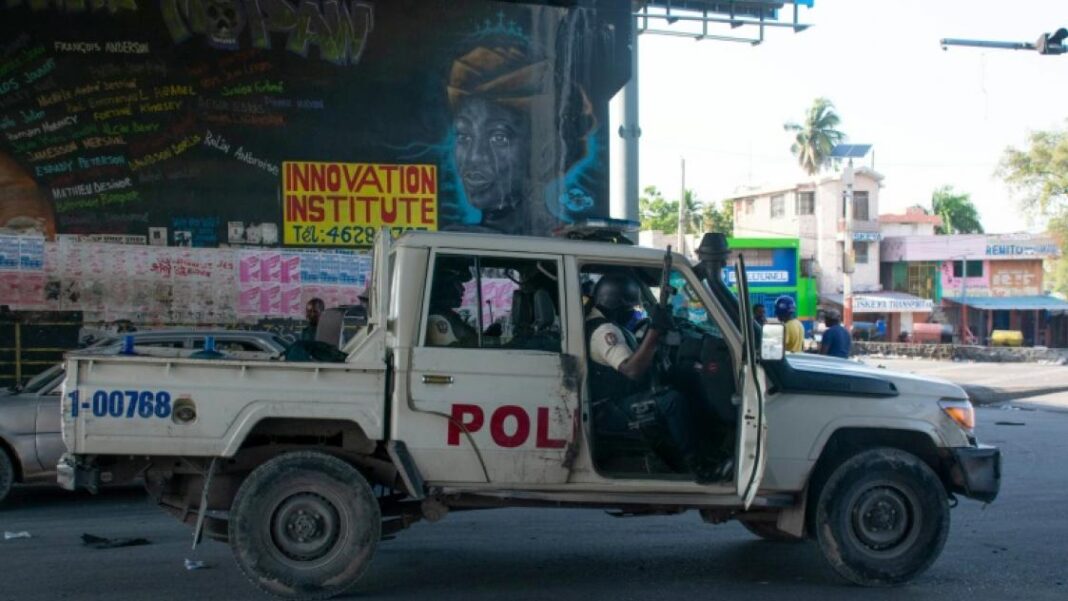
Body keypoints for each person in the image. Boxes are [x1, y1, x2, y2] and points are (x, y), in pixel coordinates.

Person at [585, 273, 731, 484]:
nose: (633, 313)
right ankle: (695, 466)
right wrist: (654, 333)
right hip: (610, 410)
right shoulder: (604, 331)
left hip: (614, 402)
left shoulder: (603, 322)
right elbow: (632, 370)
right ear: (617, 305)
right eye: (630, 309)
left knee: (673, 383)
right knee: (672, 401)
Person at [426, 262, 478, 347]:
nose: (462, 289)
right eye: (458, 282)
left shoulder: (448, 315)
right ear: (445, 285)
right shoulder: (436, 318)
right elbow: (450, 353)